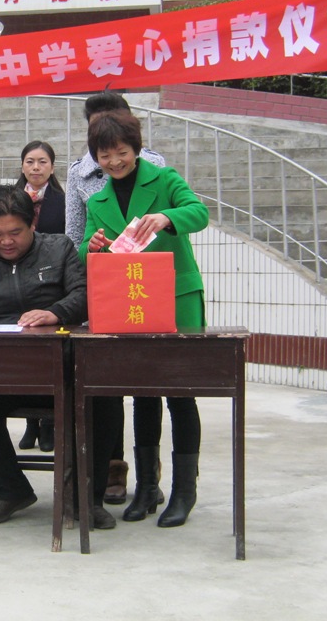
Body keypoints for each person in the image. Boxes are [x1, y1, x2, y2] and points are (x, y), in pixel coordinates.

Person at [0, 185, 122, 529]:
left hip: (62, 370)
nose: (6, 241)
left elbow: (84, 294)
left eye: (15, 232)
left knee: (104, 398)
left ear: (32, 224)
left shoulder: (59, 248)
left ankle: (87, 499)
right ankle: (9, 490)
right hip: (1, 374)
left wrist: (55, 312)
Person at [80, 111, 209, 527]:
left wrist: (169, 217)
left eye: (121, 152)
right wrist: (93, 246)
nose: (114, 161)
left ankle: (184, 492)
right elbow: (84, 252)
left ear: (135, 148)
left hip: (175, 298)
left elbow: (200, 213)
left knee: (180, 393)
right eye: (105, 155)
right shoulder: (97, 201)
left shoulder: (165, 180)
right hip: (131, 302)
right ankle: (147, 488)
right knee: (143, 393)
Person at [64, 91, 166, 506]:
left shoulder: (155, 166)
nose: (113, 156)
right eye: (97, 126)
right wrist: (86, 257)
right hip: (106, 288)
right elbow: (75, 234)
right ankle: (112, 468)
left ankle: (150, 477)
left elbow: (180, 218)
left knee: (147, 384)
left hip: (148, 287)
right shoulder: (79, 173)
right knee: (105, 383)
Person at [13, 140, 65, 453]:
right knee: (24, 359)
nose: (36, 167)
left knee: (49, 356)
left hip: (50, 283)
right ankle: (30, 423)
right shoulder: (10, 198)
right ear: (22, 165)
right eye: (30, 161)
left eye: (42, 162)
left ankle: (49, 422)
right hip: (17, 282)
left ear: (52, 167)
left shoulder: (62, 200)